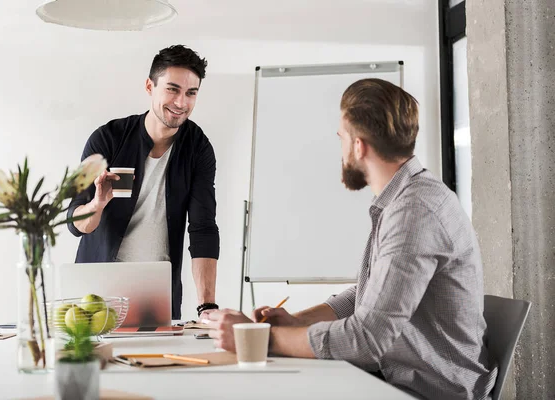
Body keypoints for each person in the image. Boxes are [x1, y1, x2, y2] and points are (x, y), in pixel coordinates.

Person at [207, 79, 497, 399]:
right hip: (401, 379)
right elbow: (371, 293)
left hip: (430, 390)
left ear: (359, 146)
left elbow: (367, 340)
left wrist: (257, 338)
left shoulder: (415, 212)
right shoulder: (406, 199)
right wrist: (294, 323)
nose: (341, 148)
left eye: (341, 138)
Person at [67, 45, 220, 320]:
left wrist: (206, 306)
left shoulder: (198, 148)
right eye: (172, 89)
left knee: (158, 361)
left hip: (157, 291)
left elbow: (203, 229)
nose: (181, 102)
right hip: (97, 286)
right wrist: (97, 204)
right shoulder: (108, 138)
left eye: (191, 93)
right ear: (150, 86)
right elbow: (76, 224)